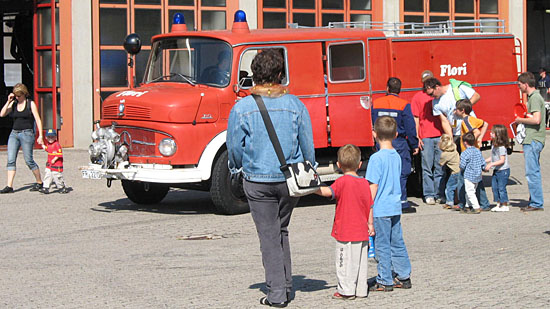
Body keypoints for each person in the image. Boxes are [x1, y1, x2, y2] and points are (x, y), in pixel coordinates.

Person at [227, 49, 315, 307]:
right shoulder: (296, 105)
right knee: (281, 230)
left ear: (255, 75)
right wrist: (306, 168)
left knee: (269, 236)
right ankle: (286, 285)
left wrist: (238, 168)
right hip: (290, 180)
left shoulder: (242, 108)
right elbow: (307, 146)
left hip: (257, 180)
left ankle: (277, 295)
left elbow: (234, 147)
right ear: (279, 74)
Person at [315, 144, 374, 300]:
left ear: (338, 165)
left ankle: (345, 290)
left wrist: (312, 187)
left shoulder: (342, 181)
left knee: (344, 262)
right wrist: (370, 225)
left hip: (345, 231)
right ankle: (361, 289)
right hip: (362, 231)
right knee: (361, 263)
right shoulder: (364, 183)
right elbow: (369, 205)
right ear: (360, 164)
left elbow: (328, 192)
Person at [366, 116, 412, 292]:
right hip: (394, 205)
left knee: (382, 245)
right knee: (397, 241)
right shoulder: (397, 156)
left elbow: (373, 186)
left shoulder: (376, 159)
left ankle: (384, 279)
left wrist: (367, 209)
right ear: (396, 134)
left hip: (380, 208)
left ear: (374, 134)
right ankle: (403, 275)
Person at [371, 77, 419, 213]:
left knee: (383, 172)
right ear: (400, 89)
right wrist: (414, 144)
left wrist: (375, 140)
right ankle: (402, 202)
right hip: (399, 141)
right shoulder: (404, 104)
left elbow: (373, 122)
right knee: (402, 171)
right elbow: (410, 127)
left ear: (387, 88)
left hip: (381, 140)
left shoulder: (376, 103)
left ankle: (381, 200)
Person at [0, 83, 44, 193]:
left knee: (29, 160)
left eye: (19, 95)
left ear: (24, 94)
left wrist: (41, 136)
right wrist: (9, 101)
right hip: (14, 134)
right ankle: (9, 186)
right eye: (16, 95)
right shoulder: (13, 104)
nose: (17, 97)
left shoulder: (30, 104)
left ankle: (39, 182)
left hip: (27, 133)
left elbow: (38, 120)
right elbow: (2, 114)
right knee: (10, 160)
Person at [411, 70, 444, 205]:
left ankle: (439, 193)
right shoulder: (418, 97)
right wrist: (417, 136)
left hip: (440, 134)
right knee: (427, 166)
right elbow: (416, 118)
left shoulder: (438, 95)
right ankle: (429, 194)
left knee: (440, 166)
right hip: (426, 136)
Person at [515, 71, 546, 212]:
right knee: (534, 171)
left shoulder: (534, 98)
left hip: (532, 139)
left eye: (520, 85)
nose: (519, 87)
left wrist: (520, 120)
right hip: (535, 139)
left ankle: (536, 203)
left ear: (526, 85)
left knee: (531, 172)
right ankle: (535, 199)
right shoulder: (537, 97)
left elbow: (536, 120)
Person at [454, 99, 491, 211]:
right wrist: (479, 140)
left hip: (468, 152)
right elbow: (485, 124)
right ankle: (484, 204)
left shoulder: (466, 121)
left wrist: (473, 141)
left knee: (463, 178)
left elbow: (476, 132)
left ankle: (462, 203)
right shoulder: (472, 119)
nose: (455, 111)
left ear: (462, 110)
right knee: (477, 180)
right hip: (475, 152)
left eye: (457, 109)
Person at [423, 77, 480, 147]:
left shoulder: (456, 88)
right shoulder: (435, 103)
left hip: (470, 129)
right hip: (456, 133)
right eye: (429, 95)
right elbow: (444, 122)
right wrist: (451, 140)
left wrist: (463, 108)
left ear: (437, 87)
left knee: (472, 156)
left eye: (432, 93)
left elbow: (476, 96)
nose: (431, 96)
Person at [484, 125, 510, 212]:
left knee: (501, 187)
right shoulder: (494, 145)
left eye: (492, 133)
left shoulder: (501, 147)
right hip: (497, 170)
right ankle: (498, 204)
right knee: (494, 187)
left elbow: (502, 160)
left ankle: (505, 204)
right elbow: (493, 157)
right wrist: (484, 161)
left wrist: (491, 164)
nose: (490, 134)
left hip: (503, 170)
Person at [459, 132, 486, 214]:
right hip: (478, 175)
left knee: (470, 192)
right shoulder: (478, 151)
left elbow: (462, 165)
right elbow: (482, 162)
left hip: (469, 175)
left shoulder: (465, 153)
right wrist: (484, 168)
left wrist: (460, 168)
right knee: (471, 191)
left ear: (465, 142)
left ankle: (476, 207)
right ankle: (468, 206)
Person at [39, 129, 69, 194]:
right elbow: (47, 149)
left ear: (55, 137)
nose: (50, 139)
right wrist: (42, 145)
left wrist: (54, 159)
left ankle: (61, 187)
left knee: (57, 176)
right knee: (48, 175)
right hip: (49, 164)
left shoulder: (57, 145)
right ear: (46, 137)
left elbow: (59, 154)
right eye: (49, 137)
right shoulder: (49, 144)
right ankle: (46, 187)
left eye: (52, 137)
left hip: (56, 164)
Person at [438, 134, 460, 210]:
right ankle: (458, 200)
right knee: (458, 187)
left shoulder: (444, 155)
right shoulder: (454, 150)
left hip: (454, 173)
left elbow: (441, 164)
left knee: (449, 187)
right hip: (460, 171)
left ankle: (449, 202)